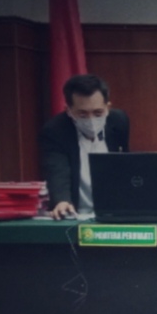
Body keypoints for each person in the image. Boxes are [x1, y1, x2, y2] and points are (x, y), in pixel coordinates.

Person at [40, 74, 130, 219]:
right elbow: (57, 169)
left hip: (114, 213)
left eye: (98, 113)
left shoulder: (119, 121)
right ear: (68, 110)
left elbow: (124, 166)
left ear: (108, 107)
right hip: (77, 213)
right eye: (82, 114)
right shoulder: (55, 130)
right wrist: (62, 200)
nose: (91, 119)